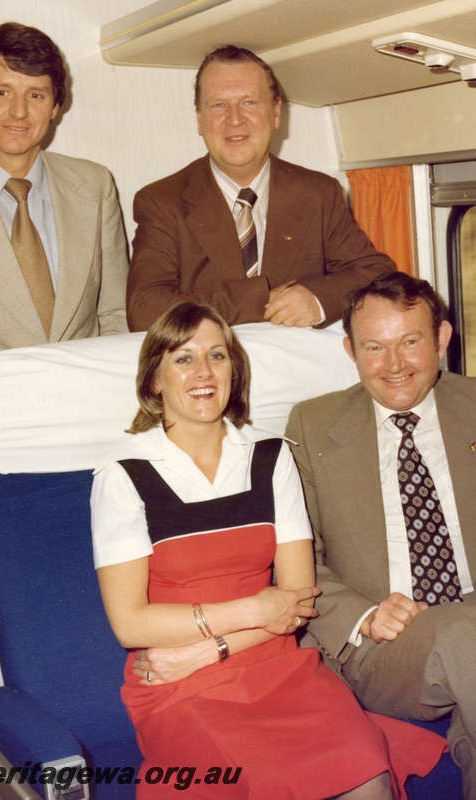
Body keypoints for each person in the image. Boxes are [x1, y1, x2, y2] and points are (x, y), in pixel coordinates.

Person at [91, 301, 444, 799]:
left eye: (217, 355)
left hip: (275, 665)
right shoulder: (123, 475)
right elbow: (131, 623)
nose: (203, 372)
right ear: (154, 379)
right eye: (183, 358)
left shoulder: (270, 457)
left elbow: (298, 601)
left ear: (234, 373)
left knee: (370, 781)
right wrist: (253, 608)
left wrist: (209, 649)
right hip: (178, 685)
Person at [0, 22, 129, 531]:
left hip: (92, 442)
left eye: (36, 94)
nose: (19, 112)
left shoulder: (95, 186)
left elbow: (116, 316)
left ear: (56, 105)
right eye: (1, 92)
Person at [286, 272, 476, 798]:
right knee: (464, 634)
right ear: (350, 351)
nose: (394, 365)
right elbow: (299, 562)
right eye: (375, 347)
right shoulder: (311, 425)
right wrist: (365, 615)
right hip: (383, 645)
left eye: (411, 342)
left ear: (441, 338)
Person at [126, 45, 394, 333]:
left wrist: (316, 299)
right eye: (218, 105)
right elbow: (144, 310)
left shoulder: (319, 192)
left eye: (250, 102)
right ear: (199, 120)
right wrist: (260, 299)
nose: (234, 119)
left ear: (276, 113)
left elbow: (377, 274)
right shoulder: (162, 202)